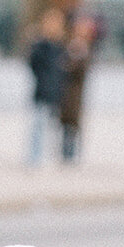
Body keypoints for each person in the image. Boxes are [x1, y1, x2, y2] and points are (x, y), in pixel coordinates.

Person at [25, 9, 66, 166]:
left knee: (52, 128)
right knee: (38, 126)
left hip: (56, 92)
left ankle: (49, 156)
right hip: (42, 91)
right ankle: (34, 157)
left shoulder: (60, 46)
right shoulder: (41, 45)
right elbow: (33, 65)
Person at [58, 15, 95, 163]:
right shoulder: (68, 46)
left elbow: (80, 71)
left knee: (73, 125)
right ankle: (65, 154)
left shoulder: (86, 49)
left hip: (75, 95)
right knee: (65, 125)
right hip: (64, 93)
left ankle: (71, 155)